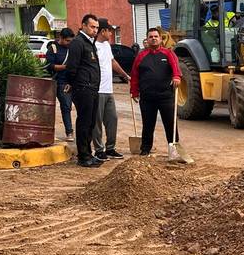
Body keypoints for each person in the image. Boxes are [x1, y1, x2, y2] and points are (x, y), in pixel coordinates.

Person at [129, 27, 181, 156]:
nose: (153, 39)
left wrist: (176, 77)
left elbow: (176, 69)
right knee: (148, 124)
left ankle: (174, 150)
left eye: (155, 36)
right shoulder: (141, 56)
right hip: (147, 98)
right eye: (150, 37)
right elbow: (135, 75)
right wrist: (134, 91)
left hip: (166, 96)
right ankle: (145, 149)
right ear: (147, 39)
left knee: (170, 124)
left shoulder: (168, 54)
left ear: (160, 38)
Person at [66, 13, 102, 168]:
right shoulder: (78, 43)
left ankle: (89, 153)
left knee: (91, 123)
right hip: (83, 88)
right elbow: (72, 67)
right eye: (92, 27)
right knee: (84, 122)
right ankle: (83, 156)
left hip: (93, 88)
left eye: (97, 28)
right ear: (84, 25)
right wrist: (75, 84)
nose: (95, 30)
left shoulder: (90, 43)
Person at [92, 18, 130, 161]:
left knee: (112, 119)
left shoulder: (107, 45)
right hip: (97, 90)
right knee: (97, 121)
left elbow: (112, 61)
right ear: (103, 31)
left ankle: (110, 148)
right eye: (110, 31)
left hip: (109, 89)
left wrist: (125, 75)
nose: (112, 34)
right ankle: (99, 149)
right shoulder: (93, 46)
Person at [46, 28, 75, 142]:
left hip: (67, 83)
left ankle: (69, 132)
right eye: (67, 41)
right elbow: (49, 66)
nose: (69, 43)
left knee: (66, 107)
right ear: (61, 38)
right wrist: (65, 67)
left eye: (70, 41)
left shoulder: (71, 49)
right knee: (49, 108)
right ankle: (49, 132)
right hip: (56, 82)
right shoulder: (53, 49)